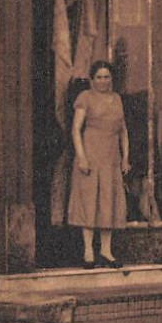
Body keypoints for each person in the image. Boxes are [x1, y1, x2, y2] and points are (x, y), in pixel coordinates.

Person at [67, 60, 129, 268]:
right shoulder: (85, 97)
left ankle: (106, 250)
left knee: (108, 201)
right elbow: (76, 129)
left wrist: (125, 157)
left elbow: (123, 131)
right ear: (92, 79)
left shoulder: (117, 99)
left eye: (107, 77)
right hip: (91, 154)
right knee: (89, 200)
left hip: (111, 158)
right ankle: (88, 252)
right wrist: (82, 157)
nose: (103, 81)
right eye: (99, 77)